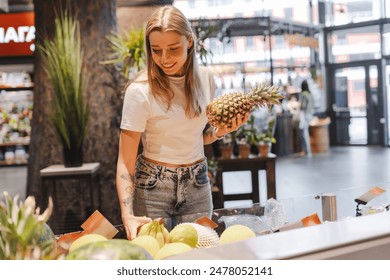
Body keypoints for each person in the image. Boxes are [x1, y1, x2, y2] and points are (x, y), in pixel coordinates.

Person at [116, 6, 248, 240]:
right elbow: (126, 162)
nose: (164, 59)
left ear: (189, 42)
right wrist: (127, 215)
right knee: (157, 259)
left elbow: (199, 135)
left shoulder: (206, 79)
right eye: (156, 51)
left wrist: (220, 132)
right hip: (153, 188)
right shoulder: (139, 91)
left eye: (173, 49)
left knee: (203, 252)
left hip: (197, 182)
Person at [298, 80, 315, 157]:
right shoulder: (310, 94)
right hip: (310, 115)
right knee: (305, 132)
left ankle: (307, 151)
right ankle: (307, 151)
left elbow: (303, 106)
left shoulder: (303, 94)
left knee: (304, 133)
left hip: (304, 115)